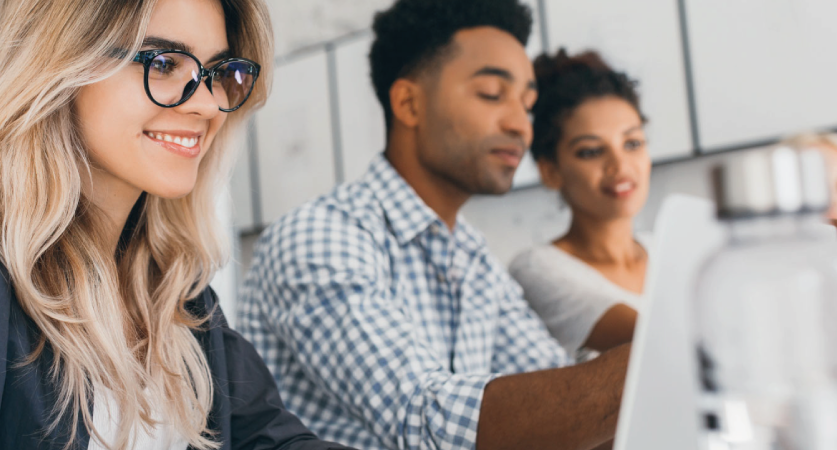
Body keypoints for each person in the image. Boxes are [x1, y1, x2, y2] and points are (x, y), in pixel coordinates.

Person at [0, 0, 352, 449]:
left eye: (218, 73)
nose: (207, 104)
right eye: (164, 64)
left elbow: (272, 442)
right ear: (64, 63)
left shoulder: (178, 294)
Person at [238, 1, 629, 449]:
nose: (520, 125)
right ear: (408, 103)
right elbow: (422, 420)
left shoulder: (472, 255)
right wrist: (647, 367)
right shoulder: (319, 237)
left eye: (528, 104)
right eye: (491, 94)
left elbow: (556, 387)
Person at [508, 50, 650, 360]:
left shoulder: (666, 251)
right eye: (591, 151)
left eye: (632, 143)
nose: (620, 165)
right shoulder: (536, 270)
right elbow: (652, 341)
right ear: (551, 171)